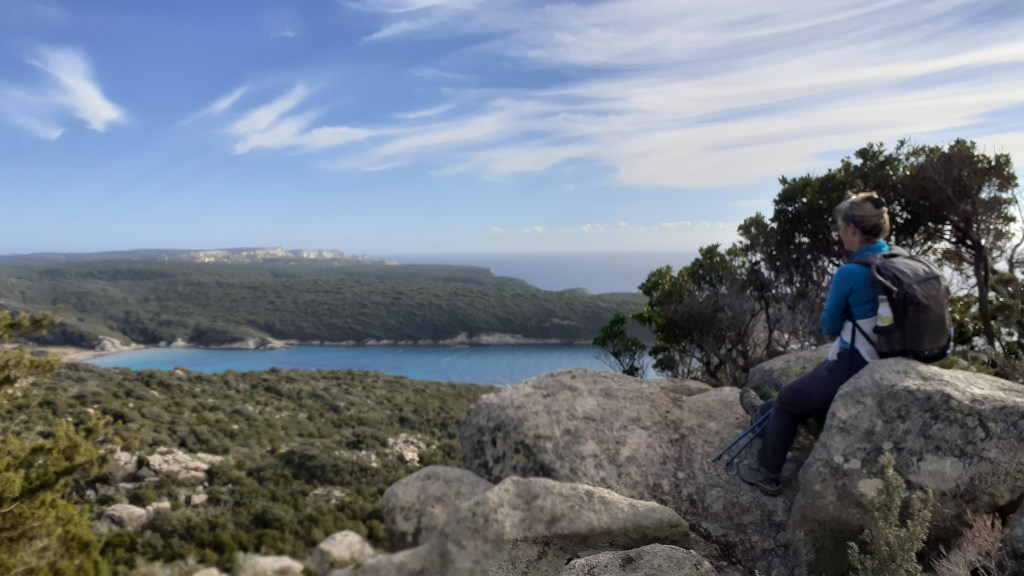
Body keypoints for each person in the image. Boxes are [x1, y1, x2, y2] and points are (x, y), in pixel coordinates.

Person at [736, 191, 891, 496]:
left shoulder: (851, 272)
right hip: (890, 356)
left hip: (857, 361)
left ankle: (766, 472)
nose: (839, 232)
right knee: (805, 388)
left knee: (789, 398)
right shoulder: (893, 258)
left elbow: (829, 326)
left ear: (853, 230)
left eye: (841, 226)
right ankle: (763, 414)